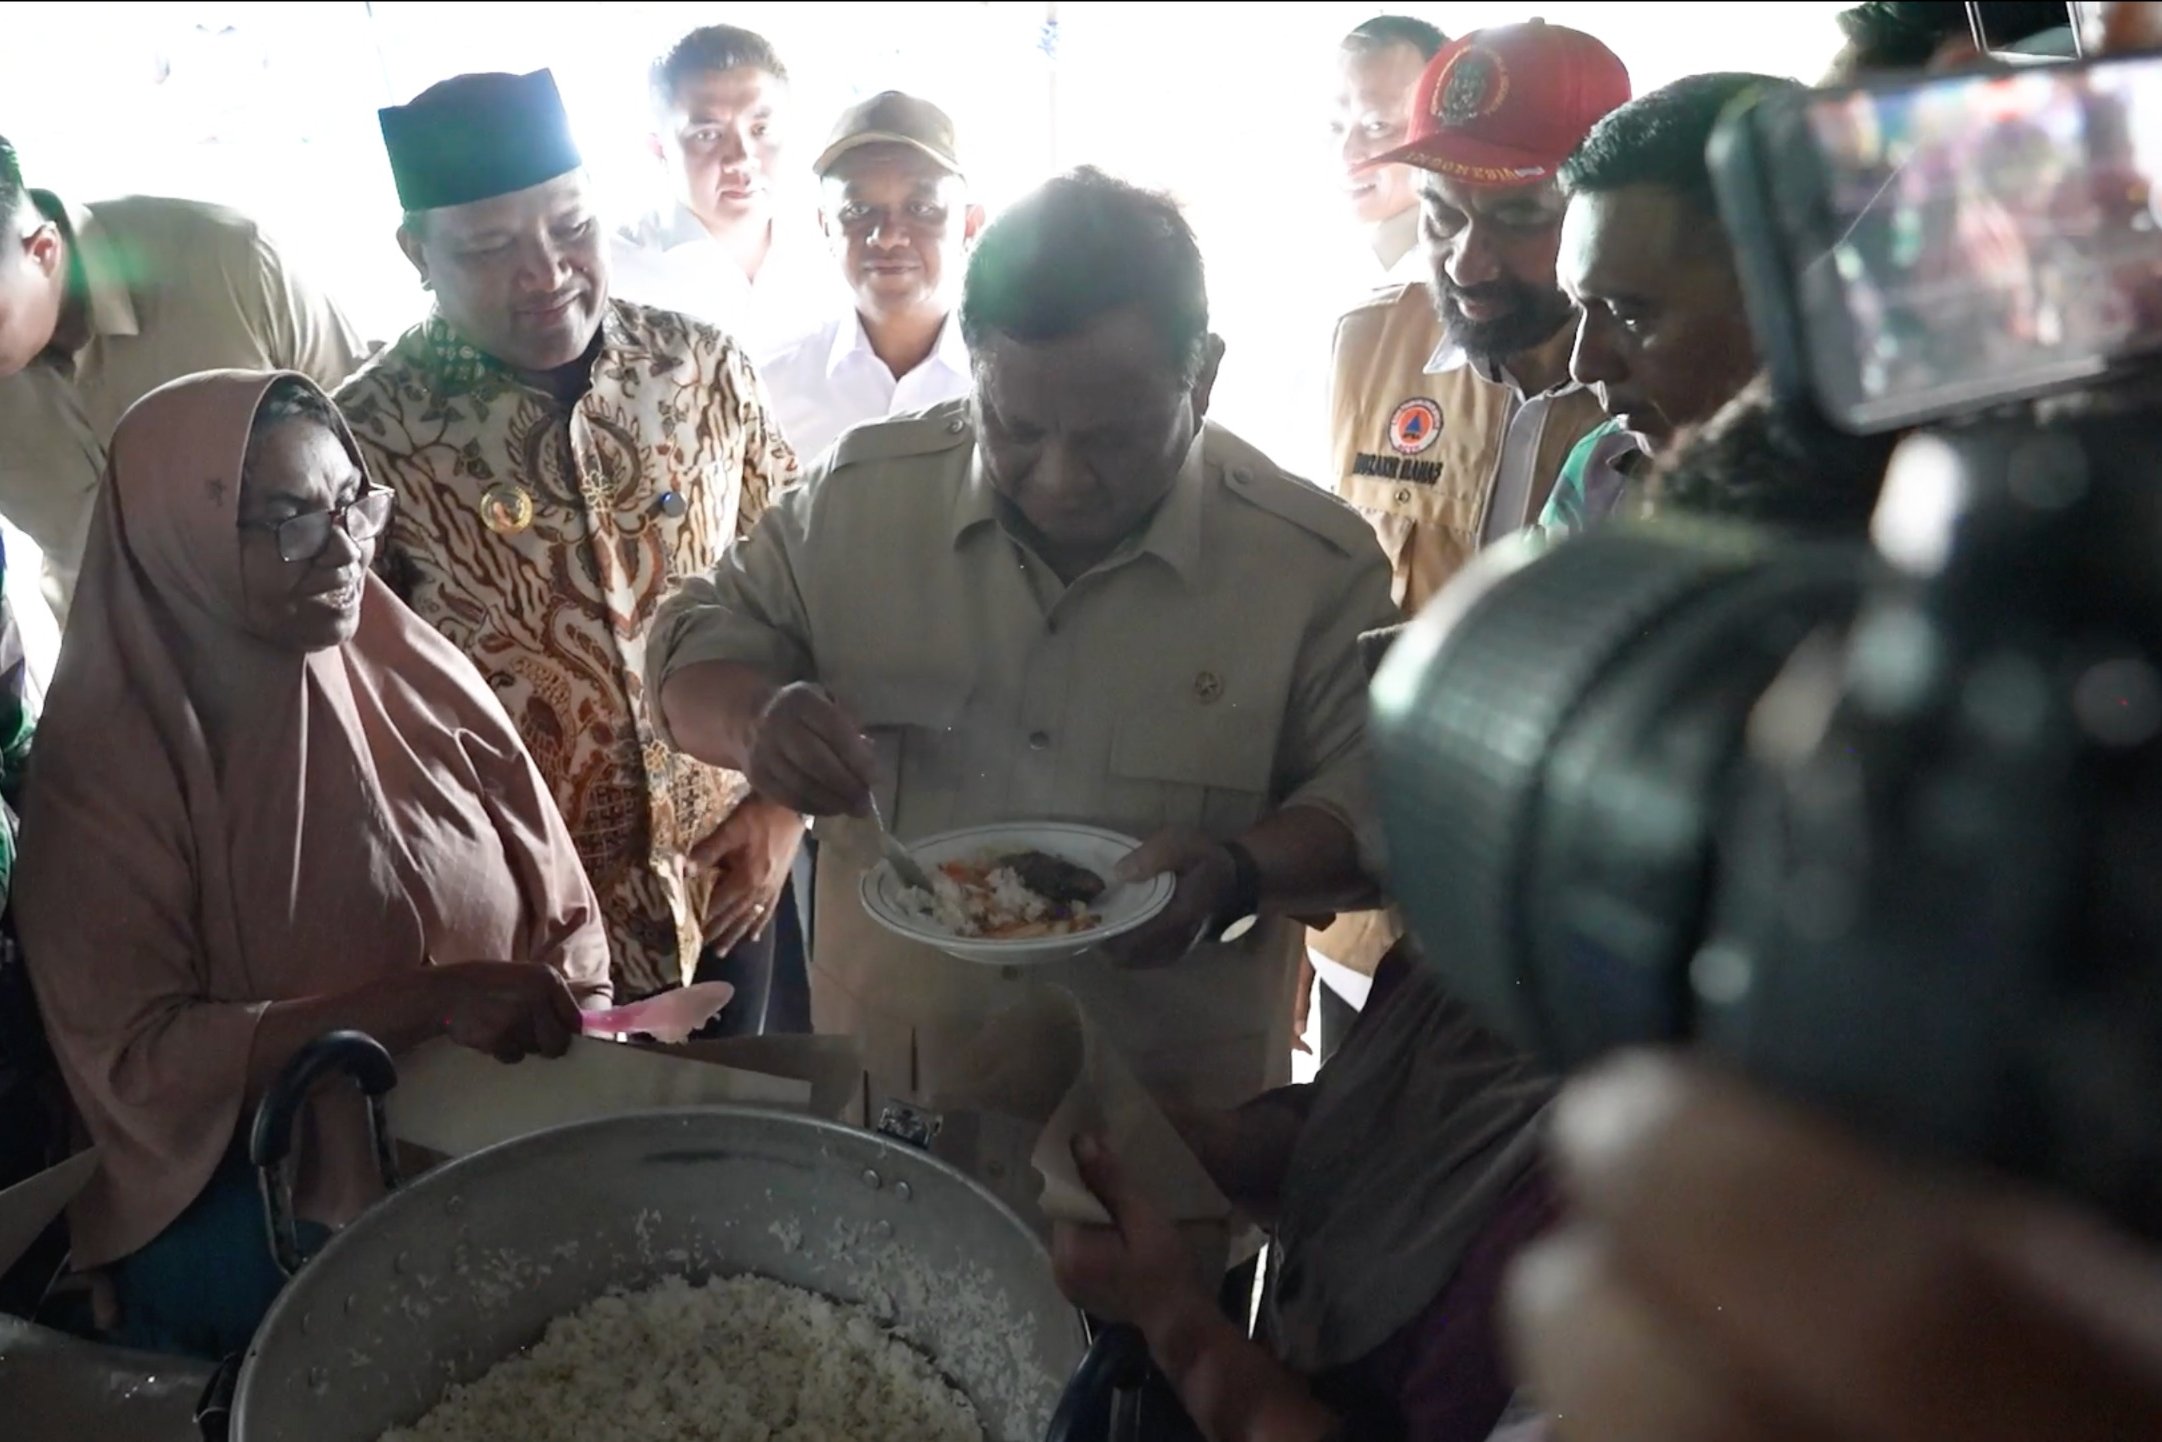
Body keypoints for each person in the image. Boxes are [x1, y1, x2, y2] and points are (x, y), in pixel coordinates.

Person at [646, 168, 1395, 1191]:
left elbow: (1372, 811)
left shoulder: (1305, 564)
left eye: (1110, 437)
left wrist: (1239, 869)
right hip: (904, 1116)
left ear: (1203, 375)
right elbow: (686, 643)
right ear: (977, 369)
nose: (1058, 478)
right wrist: (755, 721)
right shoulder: (860, 507)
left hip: (1169, 1137)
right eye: (1016, 427)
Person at [15, 370, 611, 1360]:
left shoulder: (409, 665)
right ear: (179, 541)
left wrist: (585, 1031)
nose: (345, 551)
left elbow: (557, 885)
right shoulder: (107, 778)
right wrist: (419, 1004)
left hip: (509, 1147)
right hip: (273, 1225)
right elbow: (140, 1060)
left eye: (352, 504)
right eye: (289, 521)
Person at [334, 70, 803, 1016]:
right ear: (415, 251)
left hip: (733, 885)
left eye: (571, 227)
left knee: (767, 1138)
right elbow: (350, 715)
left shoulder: (700, 370)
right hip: (521, 935)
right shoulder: (362, 442)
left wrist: (782, 806)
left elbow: (806, 592)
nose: (545, 272)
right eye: (491, 246)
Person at [1051, 948, 1558, 1442]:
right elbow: (1349, 1132)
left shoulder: (1590, 1253)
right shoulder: (1474, 949)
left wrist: (1176, 1322)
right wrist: (1201, 1149)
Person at [1327, 20, 1627, 618]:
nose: (1465, 264)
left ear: (1603, 210)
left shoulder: (1657, 380)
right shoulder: (1370, 345)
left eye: (1516, 216)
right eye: (1441, 215)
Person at [0, 134, 363, 625]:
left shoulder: (230, 263)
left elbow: (373, 446)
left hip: (316, 646)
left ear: (42, 250)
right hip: (120, 682)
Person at [1537, 73, 1800, 541]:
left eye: (1630, 314)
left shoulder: (1924, 498)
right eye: (1580, 308)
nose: (1584, 364)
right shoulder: (1603, 467)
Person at [757, 92, 983, 466]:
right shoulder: (770, 390)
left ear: (969, 225)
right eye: (858, 210)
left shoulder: (1014, 386)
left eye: (921, 209)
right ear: (826, 226)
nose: (888, 235)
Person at [612, 24, 830, 359]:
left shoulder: (831, 251)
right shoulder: (617, 274)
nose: (741, 158)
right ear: (658, 147)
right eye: (708, 135)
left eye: (761, 129)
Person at [1333, 16, 1450, 284]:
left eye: (1377, 125)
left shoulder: (1452, 277)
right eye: (1334, 126)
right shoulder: (1350, 252)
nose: (1347, 154)